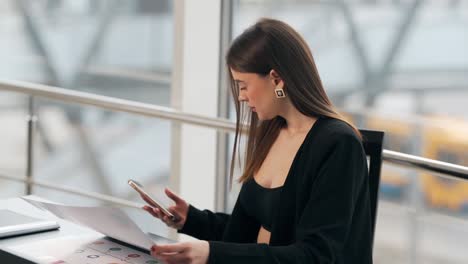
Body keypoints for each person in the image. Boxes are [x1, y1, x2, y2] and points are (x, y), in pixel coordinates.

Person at [142, 18, 373, 264]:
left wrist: (211, 253)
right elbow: (245, 232)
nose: (240, 97)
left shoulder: (338, 145)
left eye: (243, 85)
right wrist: (191, 219)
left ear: (276, 79)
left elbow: (317, 255)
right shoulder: (272, 132)